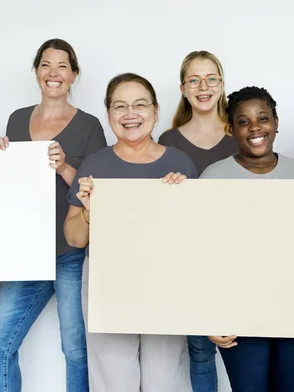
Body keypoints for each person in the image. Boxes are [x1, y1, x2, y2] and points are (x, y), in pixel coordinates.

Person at [0, 38, 107, 392]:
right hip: (27, 251)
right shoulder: (17, 119)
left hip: (70, 251)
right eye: (46, 65)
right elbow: (10, 184)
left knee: (75, 348)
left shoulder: (90, 126)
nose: (53, 73)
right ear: (36, 71)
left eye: (62, 66)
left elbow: (96, 192)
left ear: (74, 75)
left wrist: (65, 167)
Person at [201, 86, 294, 392]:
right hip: (239, 313)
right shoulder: (213, 178)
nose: (255, 128)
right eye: (243, 121)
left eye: (263, 118)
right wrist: (208, 315)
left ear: (276, 122)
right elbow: (201, 252)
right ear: (231, 129)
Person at [64, 72, 197, 392]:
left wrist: (184, 200)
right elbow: (75, 238)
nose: (130, 114)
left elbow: (196, 240)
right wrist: (88, 209)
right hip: (107, 284)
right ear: (108, 113)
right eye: (120, 106)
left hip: (165, 283)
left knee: (164, 379)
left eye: (139, 105)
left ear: (155, 110)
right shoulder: (94, 165)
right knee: (114, 380)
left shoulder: (181, 164)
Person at [158, 50, 238, 392]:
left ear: (221, 85)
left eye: (211, 78)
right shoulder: (168, 141)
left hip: (239, 259)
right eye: (194, 79)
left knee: (244, 350)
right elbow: (160, 212)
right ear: (183, 88)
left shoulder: (243, 134)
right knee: (201, 352)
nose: (203, 86)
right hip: (190, 262)